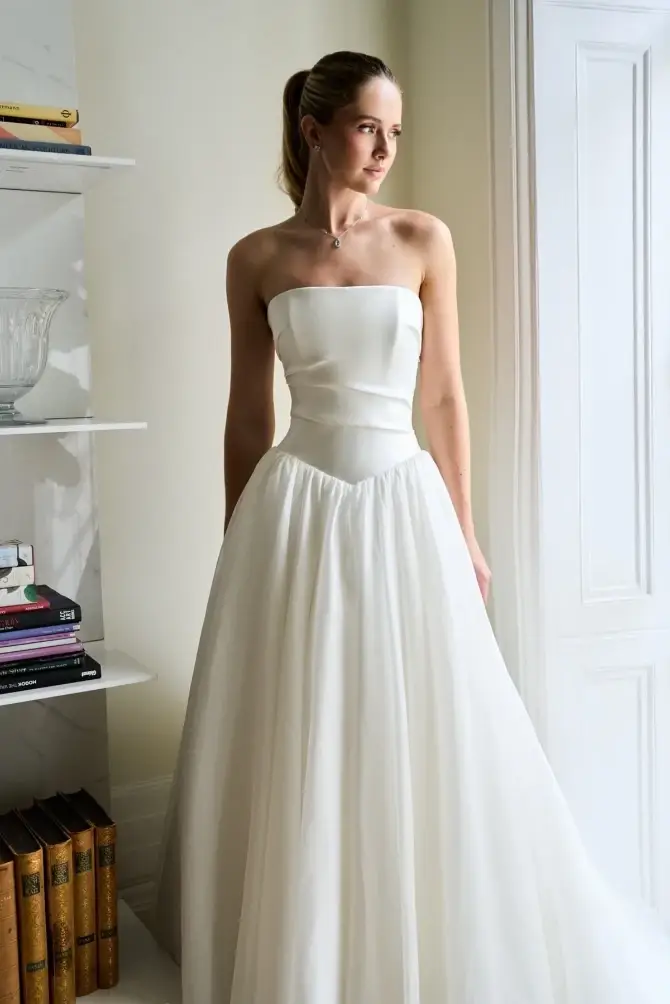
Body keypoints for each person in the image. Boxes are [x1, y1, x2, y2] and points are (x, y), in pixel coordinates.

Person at [153, 50, 670, 1003]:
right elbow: (246, 414)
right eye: (366, 127)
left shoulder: (425, 239)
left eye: (397, 131)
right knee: (299, 716)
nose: (385, 148)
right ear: (313, 130)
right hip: (295, 503)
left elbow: (444, 399)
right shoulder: (256, 258)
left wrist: (466, 530)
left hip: (401, 496)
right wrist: (239, 537)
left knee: (428, 716)